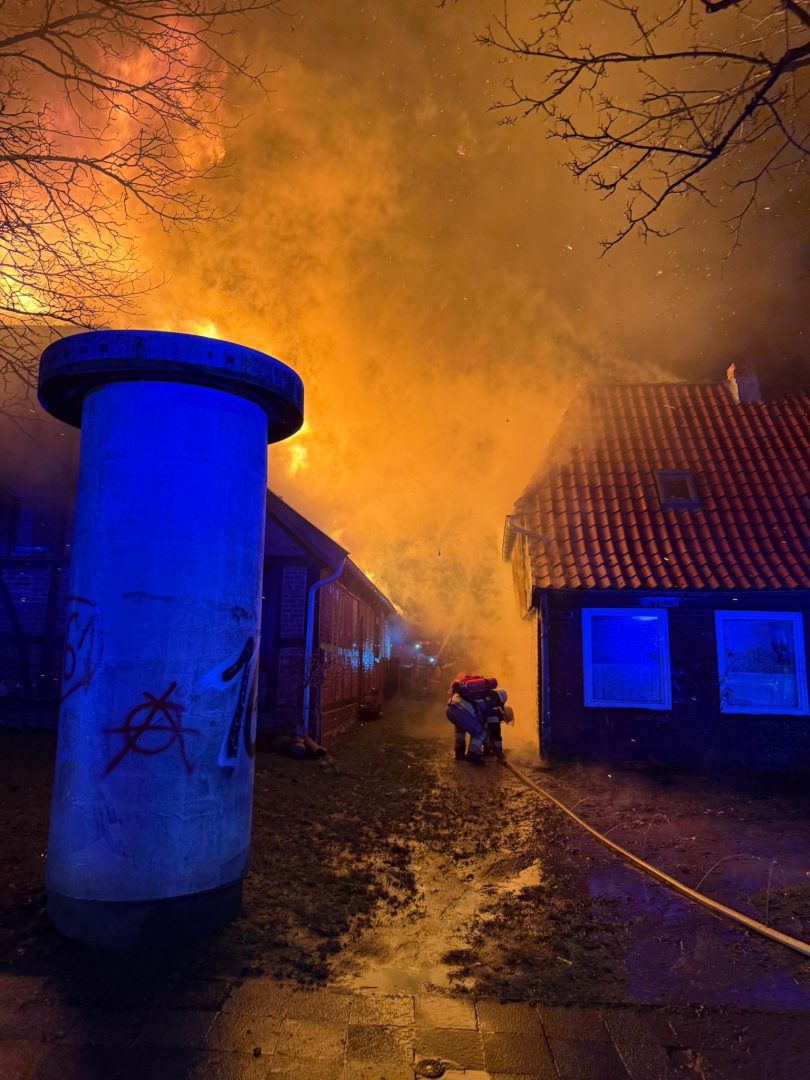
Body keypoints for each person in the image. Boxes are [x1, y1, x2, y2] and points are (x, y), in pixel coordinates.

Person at [446, 673, 512, 765]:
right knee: (480, 733)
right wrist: (499, 752)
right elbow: (495, 731)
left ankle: (459, 753)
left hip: (451, 708)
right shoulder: (491, 703)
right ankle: (473, 755)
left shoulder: (480, 695)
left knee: (461, 732)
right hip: (462, 710)